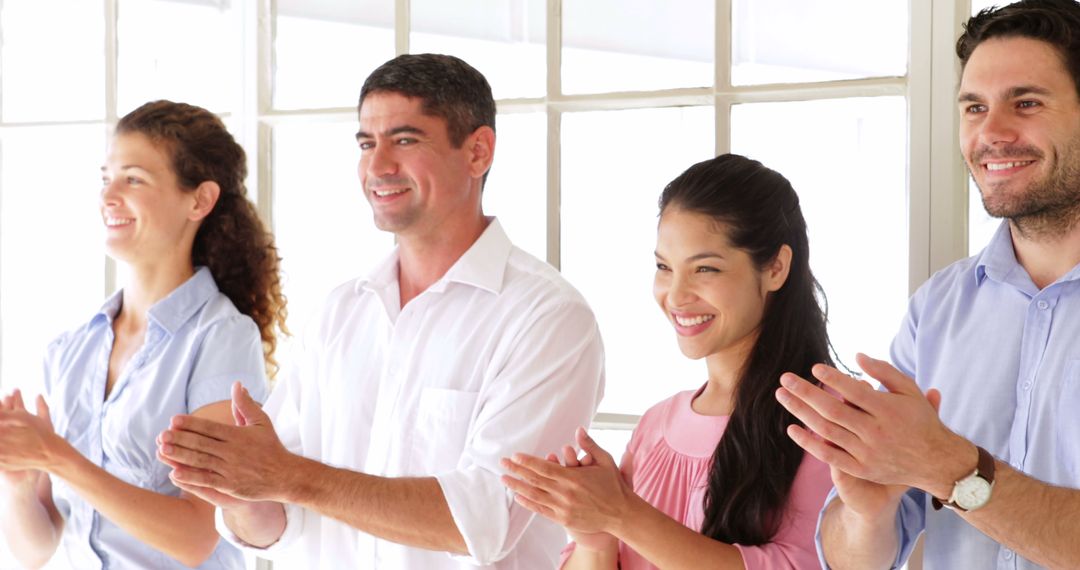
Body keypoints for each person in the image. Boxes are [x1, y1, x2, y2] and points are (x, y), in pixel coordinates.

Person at [156, 53, 606, 569]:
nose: (378, 166)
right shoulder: (341, 311)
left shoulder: (548, 320)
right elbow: (282, 520)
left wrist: (286, 476)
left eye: (406, 140)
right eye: (367, 144)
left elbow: (483, 519)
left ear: (478, 151)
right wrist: (239, 491)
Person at [774, 1, 1080, 568]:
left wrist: (951, 468)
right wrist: (868, 513)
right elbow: (853, 559)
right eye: (974, 107)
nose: (991, 133)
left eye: (1027, 102)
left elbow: (944, 466)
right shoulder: (938, 307)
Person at [501, 154, 835, 569]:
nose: (676, 296)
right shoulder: (656, 426)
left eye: (705, 269)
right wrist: (596, 537)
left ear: (776, 268)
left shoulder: (825, 422)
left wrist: (621, 513)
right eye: (664, 267)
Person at [0, 100, 287, 569]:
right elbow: (37, 549)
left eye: (133, 179)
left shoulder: (222, 339)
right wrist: (18, 487)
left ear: (200, 200)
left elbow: (197, 536)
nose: (109, 196)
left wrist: (56, 456)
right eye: (105, 178)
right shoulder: (71, 349)